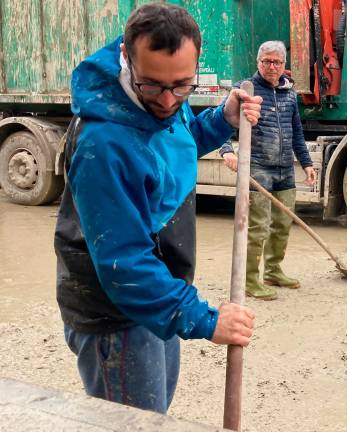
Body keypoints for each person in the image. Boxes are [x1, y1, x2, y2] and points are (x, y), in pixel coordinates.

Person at [54, 3, 262, 413]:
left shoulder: (158, 93)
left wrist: (222, 119)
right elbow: (124, 264)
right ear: (127, 61)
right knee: (135, 422)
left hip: (156, 298)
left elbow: (172, 146)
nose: (168, 100)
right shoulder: (104, 146)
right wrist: (204, 319)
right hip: (118, 316)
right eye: (153, 86)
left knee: (154, 414)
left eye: (182, 86)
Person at [220, 41, 316, 301]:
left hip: (285, 168)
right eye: (267, 62)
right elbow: (223, 120)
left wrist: (306, 163)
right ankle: (250, 280)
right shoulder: (245, 89)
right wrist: (226, 150)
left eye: (277, 62)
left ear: (284, 65)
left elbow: (297, 132)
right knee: (258, 226)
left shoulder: (289, 93)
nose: (271, 67)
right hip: (259, 168)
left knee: (283, 224)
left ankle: (273, 271)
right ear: (258, 62)